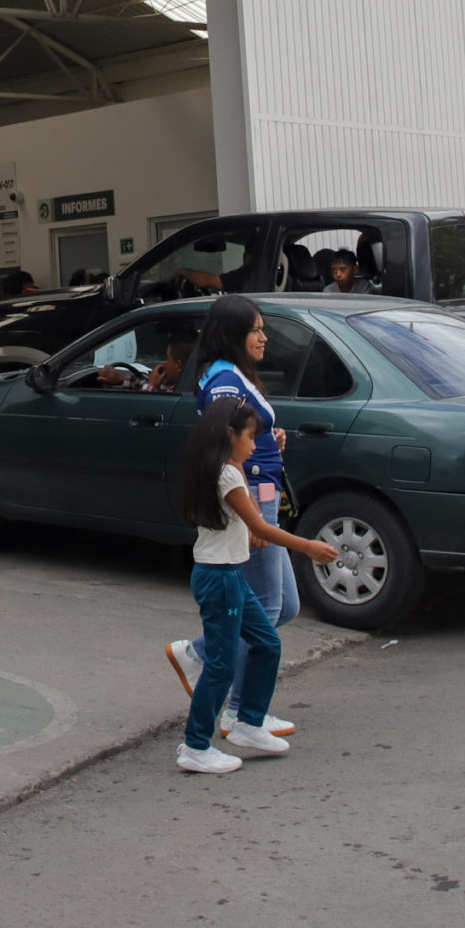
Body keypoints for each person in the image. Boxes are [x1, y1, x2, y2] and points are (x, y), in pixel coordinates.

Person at [171, 401, 339, 775]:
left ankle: (248, 722)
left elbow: (244, 518)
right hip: (221, 579)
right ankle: (196, 746)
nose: (254, 445)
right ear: (230, 435)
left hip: (229, 575)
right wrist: (309, 547)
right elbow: (262, 528)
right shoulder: (227, 476)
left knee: (266, 642)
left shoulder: (222, 468)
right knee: (221, 665)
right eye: (250, 437)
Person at [165, 295, 302, 737]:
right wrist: (247, 512)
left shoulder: (233, 374)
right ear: (232, 334)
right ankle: (242, 713)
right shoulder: (224, 377)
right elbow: (220, 432)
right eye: (256, 329)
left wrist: (267, 436)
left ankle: (200, 653)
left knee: (285, 606)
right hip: (253, 501)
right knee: (267, 606)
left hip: (264, 493)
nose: (264, 337)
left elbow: (238, 427)